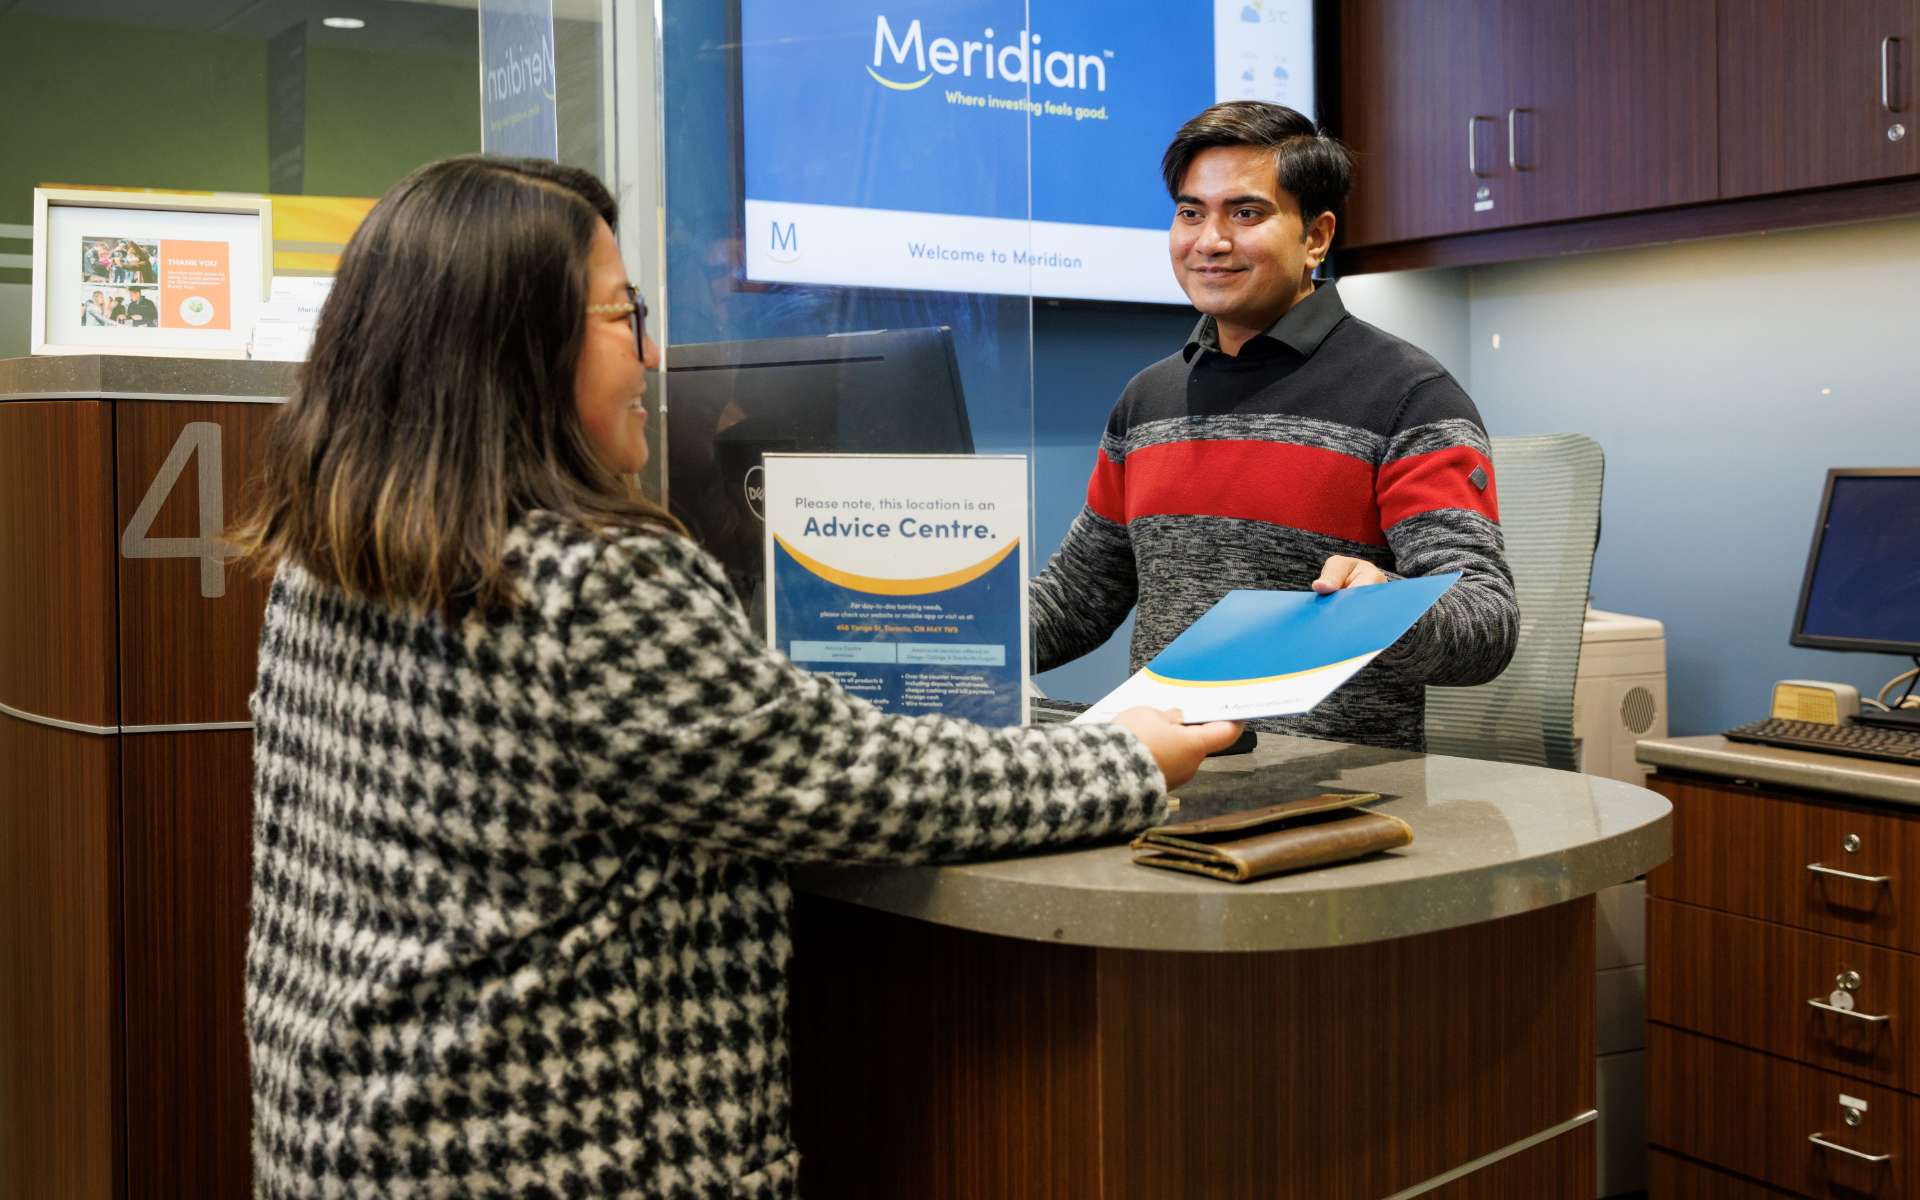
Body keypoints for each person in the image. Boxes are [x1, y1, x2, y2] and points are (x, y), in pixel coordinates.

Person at [232, 154, 1236, 1199]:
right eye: (626, 318)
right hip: (552, 1157)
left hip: (350, 1139)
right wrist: (1123, 763)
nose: (654, 356)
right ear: (518, 347)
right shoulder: (594, 584)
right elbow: (861, 785)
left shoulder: (324, 556)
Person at [1030, 101, 1518, 753]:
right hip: (1163, 784)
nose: (1210, 241)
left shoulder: (1410, 397)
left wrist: (1386, 608)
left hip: (1339, 809)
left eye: (1246, 213)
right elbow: (1080, 595)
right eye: (1190, 212)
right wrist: (938, 637)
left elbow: (1487, 622)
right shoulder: (1147, 400)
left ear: (1315, 237)